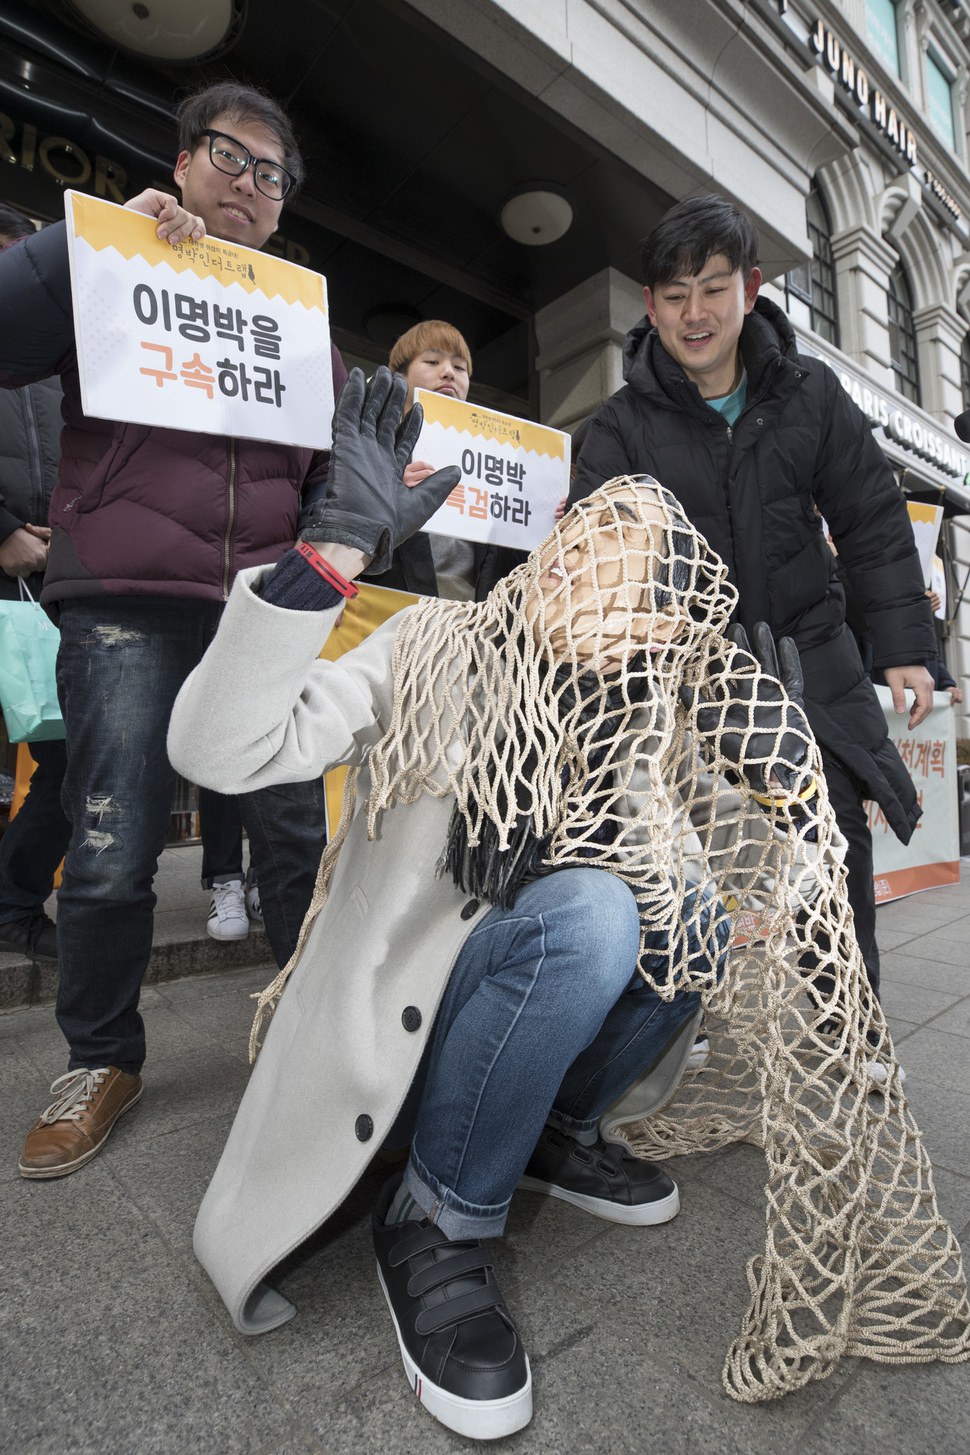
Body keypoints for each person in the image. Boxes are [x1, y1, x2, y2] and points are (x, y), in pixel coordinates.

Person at [163, 368, 970, 1438]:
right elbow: (216, 750)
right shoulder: (430, 648)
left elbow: (724, 905)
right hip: (391, 1029)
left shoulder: (643, 723)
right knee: (591, 913)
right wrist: (330, 558)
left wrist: (777, 783)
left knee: (686, 906)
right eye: (580, 549)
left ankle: (552, 1127)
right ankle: (437, 1218)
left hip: (521, 1006)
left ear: (656, 624)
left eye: (630, 581)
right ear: (544, 561)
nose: (590, 581)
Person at [0, 81, 348, 1180]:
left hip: (267, 615)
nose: (248, 184)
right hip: (125, 600)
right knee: (109, 841)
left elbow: (342, 466)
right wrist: (85, 243)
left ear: (284, 205)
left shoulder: (302, 320)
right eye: (228, 158)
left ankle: (303, 1027)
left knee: (297, 835)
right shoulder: (110, 256)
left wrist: (335, 546)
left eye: (269, 173)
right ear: (185, 162)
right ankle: (101, 1057)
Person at [571, 194, 936, 1021]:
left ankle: (849, 1022)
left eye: (713, 287)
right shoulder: (619, 428)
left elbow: (872, 516)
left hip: (812, 656)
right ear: (650, 305)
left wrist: (905, 644)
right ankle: (673, 1020)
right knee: (681, 856)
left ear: (751, 287)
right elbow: (598, 556)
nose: (695, 312)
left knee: (833, 833)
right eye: (674, 294)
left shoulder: (810, 393)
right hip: (692, 674)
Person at [0, 205, 69, 964]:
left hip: (51, 582)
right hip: (9, 558)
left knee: (69, 748)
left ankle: (14, 899)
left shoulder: (58, 357)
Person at [374, 319, 521, 599]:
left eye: (459, 367)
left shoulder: (494, 461)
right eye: (431, 361)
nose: (448, 373)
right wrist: (387, 491)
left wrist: (543, 516)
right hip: (391, 618)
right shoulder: (374, 443)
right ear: (400, 376)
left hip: (473, 624)